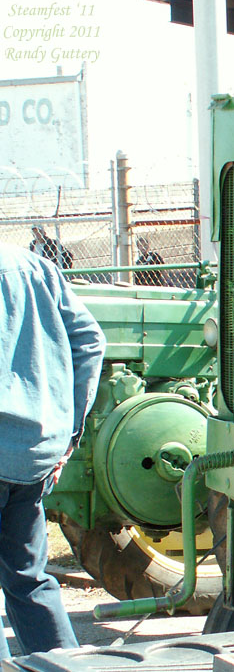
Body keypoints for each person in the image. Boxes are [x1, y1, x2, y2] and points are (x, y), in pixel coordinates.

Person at [0, 242, 106, 660]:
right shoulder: (35, 267)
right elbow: (91, 341)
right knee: (29, 581)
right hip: (33, 455)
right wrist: (67, 434)